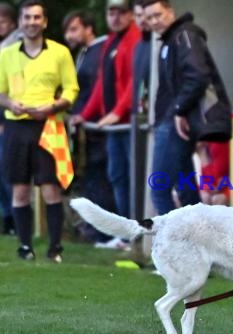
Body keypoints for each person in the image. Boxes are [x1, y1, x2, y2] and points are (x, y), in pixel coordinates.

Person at [0, 0, 79, 262]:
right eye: (27, 18)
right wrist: (11, 102)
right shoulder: (6, 54)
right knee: (19, 189)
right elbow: (0, 91)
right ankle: (25, 247)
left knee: (50, 188)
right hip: (15, 125)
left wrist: (54, 105)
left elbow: (71, 88)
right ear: (20, 22)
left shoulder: (60, 52)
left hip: (49, 124)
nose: (32, 22)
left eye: (36, 18)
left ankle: (55, 248)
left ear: (44, 22)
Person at [142, 0, 231, 214]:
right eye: (149, 17)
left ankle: (176, 243)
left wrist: (179, 109)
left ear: (170, 12)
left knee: (160, 190)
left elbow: (198, 76)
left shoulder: (184, 35)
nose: (155, 21)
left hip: (174, 123)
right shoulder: (171, 40)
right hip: (172, 121)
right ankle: (195, 243)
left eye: (158, 14)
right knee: (187, 192)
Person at [69, 0, 141, 220]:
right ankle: (126, 229)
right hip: (114, 126)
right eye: (111, 12)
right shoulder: (110, 41)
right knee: (117, 176)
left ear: (130, 15)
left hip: (130, 124)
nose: (115, 17)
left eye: (121, 12)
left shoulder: (135, 39)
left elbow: (134, 82)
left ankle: (137, 229)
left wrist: (118, 112)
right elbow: (102, 83)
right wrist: (85, 114)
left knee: (133, 178)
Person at [0, 1, 20, 235]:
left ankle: (13, 219)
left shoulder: (13, 46)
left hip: (9, 119)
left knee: (9, 172)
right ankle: (8, 217)